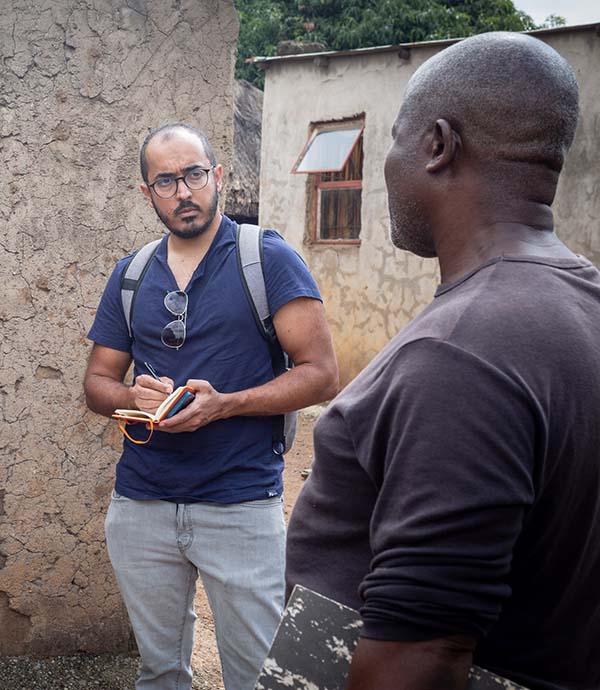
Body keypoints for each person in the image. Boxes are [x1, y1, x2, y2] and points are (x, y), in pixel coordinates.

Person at [286, 32, 600, 690]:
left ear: (436, 144)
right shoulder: (581, 302)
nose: (386, 166)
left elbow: (421, 657)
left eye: (395, 139)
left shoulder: (461, 354)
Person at [83, 122, 338, 690]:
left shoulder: (266, 259)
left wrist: (226, 406)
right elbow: (97, 383)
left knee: (256, 676)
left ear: (217, 177)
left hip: (240, 502)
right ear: (147, 193)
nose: (183, 191)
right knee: (160, 672)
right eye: (165, 181)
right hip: (142, 502)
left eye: (193, 174)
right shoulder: (131, 274)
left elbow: (322, 374)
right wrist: (131, 396)